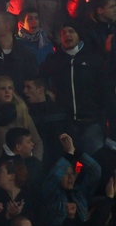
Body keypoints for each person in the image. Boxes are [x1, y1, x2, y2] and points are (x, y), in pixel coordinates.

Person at [41, 19, 112, 154]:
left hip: (91, 122)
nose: (67, 35)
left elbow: (105, 90)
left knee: (95, 161)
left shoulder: (93, 58)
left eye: (71, 31)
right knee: (69, 161)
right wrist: (47, 92)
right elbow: (40, 78)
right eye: (64, 32)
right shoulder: (54, 60)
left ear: (79, 35)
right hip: (65, 123)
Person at [41, 133, 101, 226]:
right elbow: (54, 176)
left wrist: (75, 151)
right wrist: (69, 154)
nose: (70, 177)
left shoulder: (80, 193)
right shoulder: (52, 195)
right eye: (65, 173)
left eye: (72, 173)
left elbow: (95, 171)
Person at [0, 76, 43, 163]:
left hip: (22, 166)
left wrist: (35, 162)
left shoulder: (21, 113)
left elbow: (37, 142)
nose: (7, 91)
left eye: (10, 88)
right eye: (2, 88)